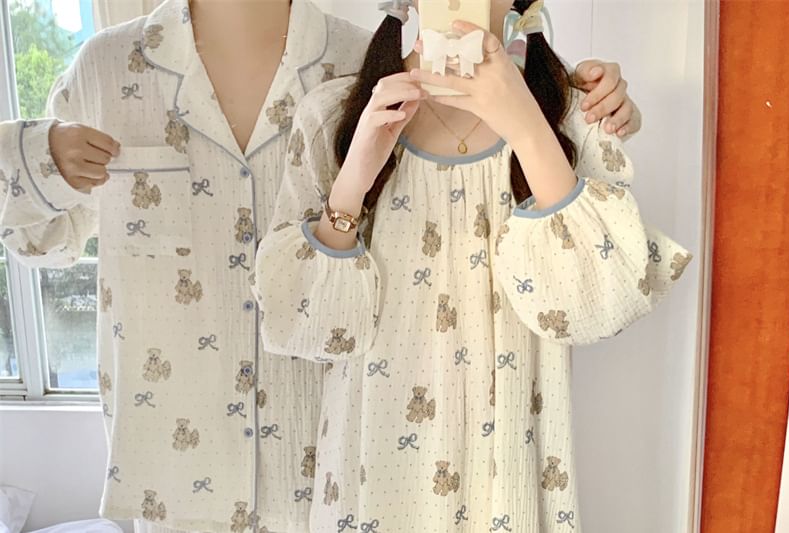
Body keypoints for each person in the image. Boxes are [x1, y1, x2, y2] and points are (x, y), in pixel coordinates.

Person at [0, 0, 641, 531]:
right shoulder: (112, 68)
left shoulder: (354, 62)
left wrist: (578, 113)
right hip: (185, 468)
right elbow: (38, 245)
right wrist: (37, 155)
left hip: (339, 467)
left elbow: (595, 293)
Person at [250, 1, 691, 532]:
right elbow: (303, 326)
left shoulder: (576, 115)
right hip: (372, 482)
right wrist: (354, 181)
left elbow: (597, 306)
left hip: (511, 484)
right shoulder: (335, 114)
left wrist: (528, 128)